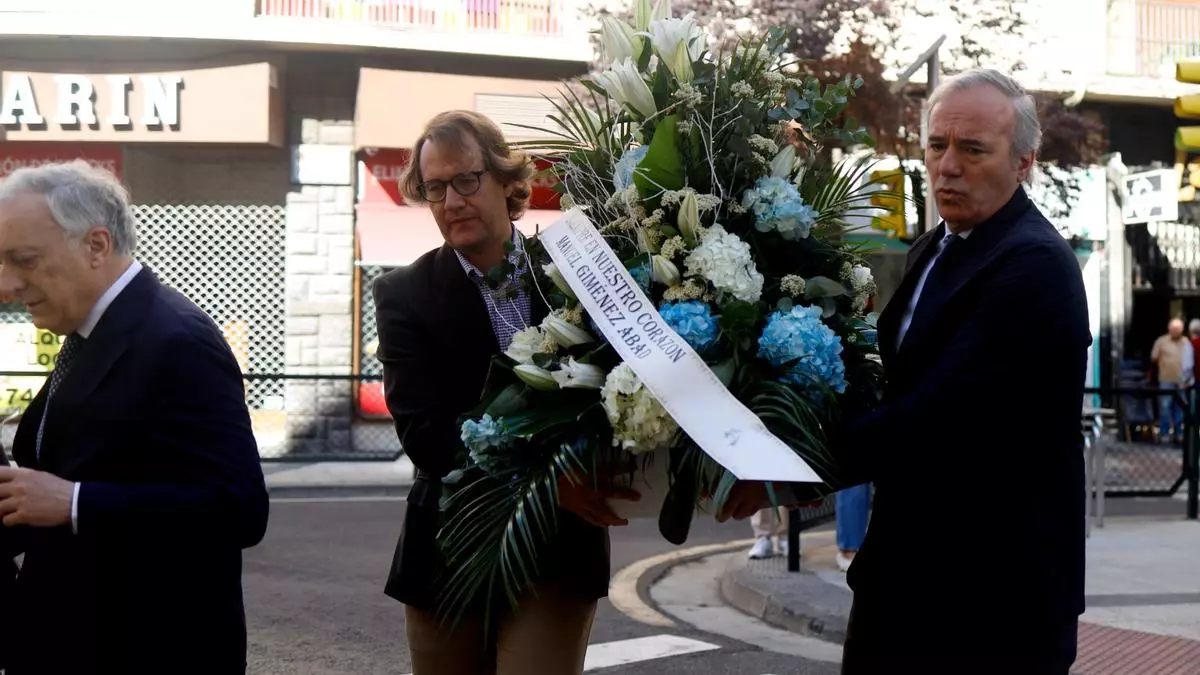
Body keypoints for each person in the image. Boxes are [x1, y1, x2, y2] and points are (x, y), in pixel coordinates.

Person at [721, 68, 1091, 673]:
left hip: (995, 602)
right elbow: (894, 386)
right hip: (905, 580)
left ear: (1024, 162)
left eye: (973, 150)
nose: (948, 166)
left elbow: (937, 417)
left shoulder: (1035, 264)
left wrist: (788, 472)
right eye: (937, 145)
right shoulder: (933, 247)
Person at [373, 110, 637, 675]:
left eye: (466, 180)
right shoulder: (404, 293)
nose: (451, 202)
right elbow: (426, 436)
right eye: (435, 188)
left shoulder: (577, 272)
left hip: (560, 549)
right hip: (450, 543)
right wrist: (548, 484)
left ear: (506, 181)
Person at [0, 161, 270, 675]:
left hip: (150, 649)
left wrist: (75, 502)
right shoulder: (90, 332)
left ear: (96, 246)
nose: (7, 285)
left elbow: (239, 510)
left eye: (25, 260)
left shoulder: (176, 340)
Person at [1151, 318, 1191, 443]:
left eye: (1178, 329)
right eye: (1174, 328)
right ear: (1169, 329)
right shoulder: (1161, 341)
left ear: (1182, 330)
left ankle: (1179, 433)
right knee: (1165, 407)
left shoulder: (1186, 342)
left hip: (1182, 381)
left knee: (1180, 408)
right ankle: (1164, 433)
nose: (1176, 331)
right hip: (1166, 379)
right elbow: (1154, 358)